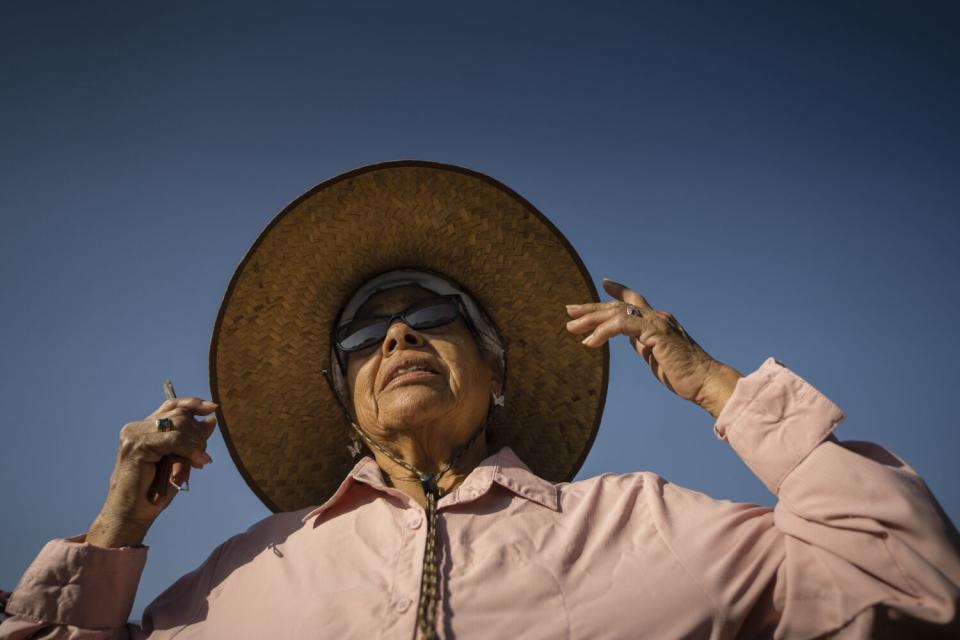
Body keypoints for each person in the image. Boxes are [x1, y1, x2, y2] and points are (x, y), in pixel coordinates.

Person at [2, 162, 958, 639]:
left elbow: (913, 582)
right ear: (346, 405)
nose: (398, 336)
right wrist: (115, 530)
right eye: (363, 335)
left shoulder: (647, 523)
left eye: (431, 313)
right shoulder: (242, 578)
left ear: (497, 370)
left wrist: (719, 387)